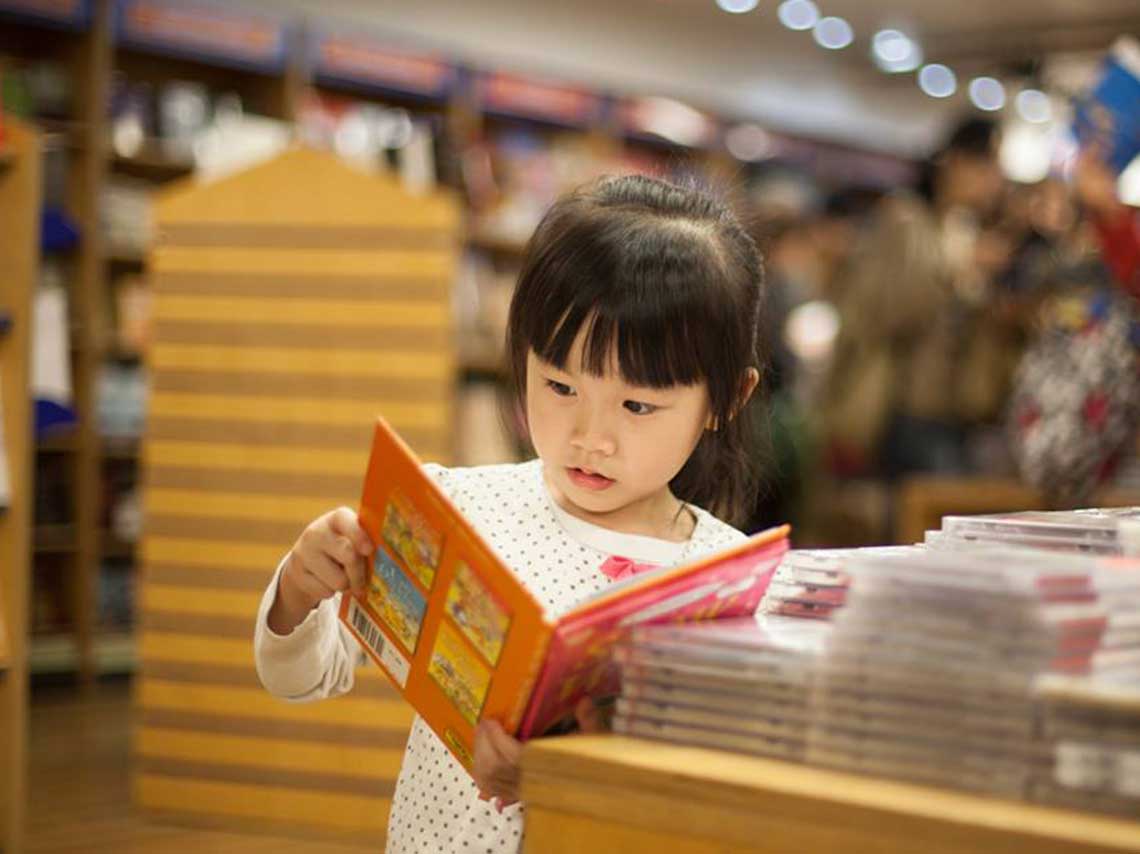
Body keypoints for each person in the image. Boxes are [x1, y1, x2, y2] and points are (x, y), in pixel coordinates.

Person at [253, 174, 768, 853]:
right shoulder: (456, 510)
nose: (591, 435)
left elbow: (723, 795)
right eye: (560, 385)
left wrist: (571, 773)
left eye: (636, 405)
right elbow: (304, 676)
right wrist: (297, 588)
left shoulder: (728, 581)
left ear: (727, 398)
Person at [822, 116, 1010, 479]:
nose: (994, 180)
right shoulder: (906, 219)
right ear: (956, 161)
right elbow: (892, 311)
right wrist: (957, 267)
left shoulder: (964, 226)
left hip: (955, 408)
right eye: (987, 164)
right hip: (903, 405)